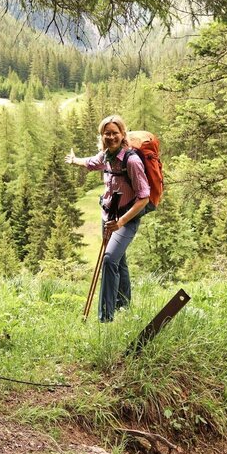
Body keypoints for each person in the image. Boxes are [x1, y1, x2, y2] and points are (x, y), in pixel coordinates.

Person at [66, 115, 150, 322]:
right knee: (119, 261)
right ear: (102, 136)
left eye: (115, 133)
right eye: (107, 133)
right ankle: (124, 305)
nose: (111, 137)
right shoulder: (106, 156)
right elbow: (92, 163)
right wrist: (74, 160)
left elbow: (144, 198)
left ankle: (105, 318)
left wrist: (121, 222)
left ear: (123, 134)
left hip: (125, 219)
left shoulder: (132, 161)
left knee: (109, 259)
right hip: (108, 215)